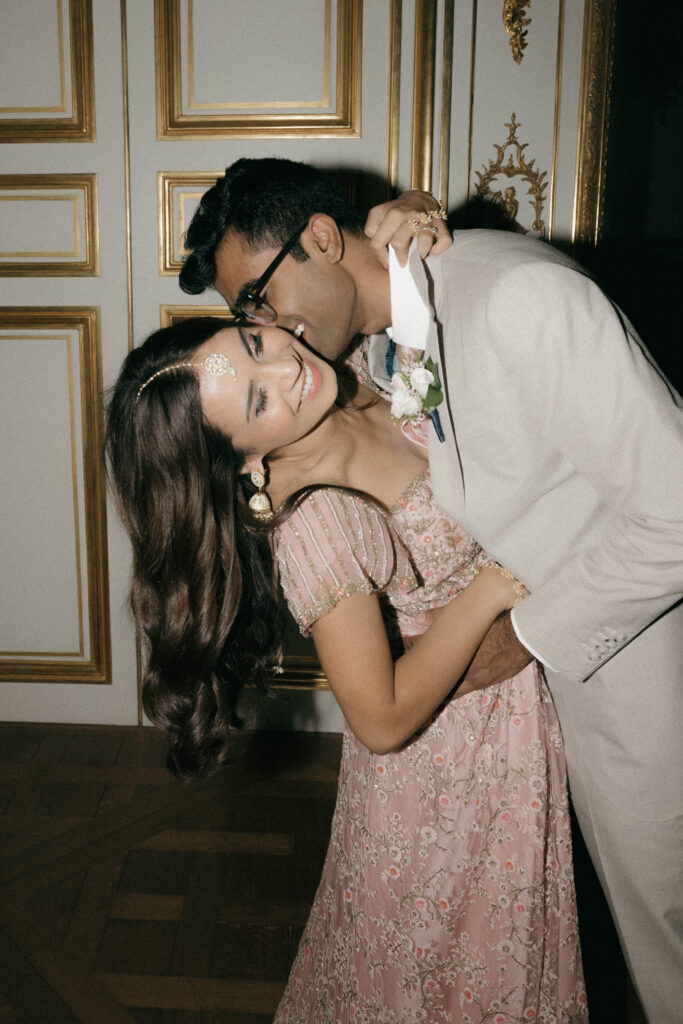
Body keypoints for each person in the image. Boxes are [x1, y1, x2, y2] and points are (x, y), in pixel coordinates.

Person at [178, 158, 683, 1023]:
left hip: (638, 683)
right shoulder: (382, 347)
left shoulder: (508, 299)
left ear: (323, 239)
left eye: (257, 307)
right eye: (244, 320)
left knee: (665, 929)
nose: (265, 329)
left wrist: (519, 633)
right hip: (517, 735)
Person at [106, 315, 587, 1020]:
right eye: (255, 403)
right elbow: (380, 721)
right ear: (244, 462)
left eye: (254, 347)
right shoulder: (319, 525)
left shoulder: (355, 377)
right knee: (448, 975)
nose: (284, 373)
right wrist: (491, 589)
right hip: (449, 774)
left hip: (511, 720)